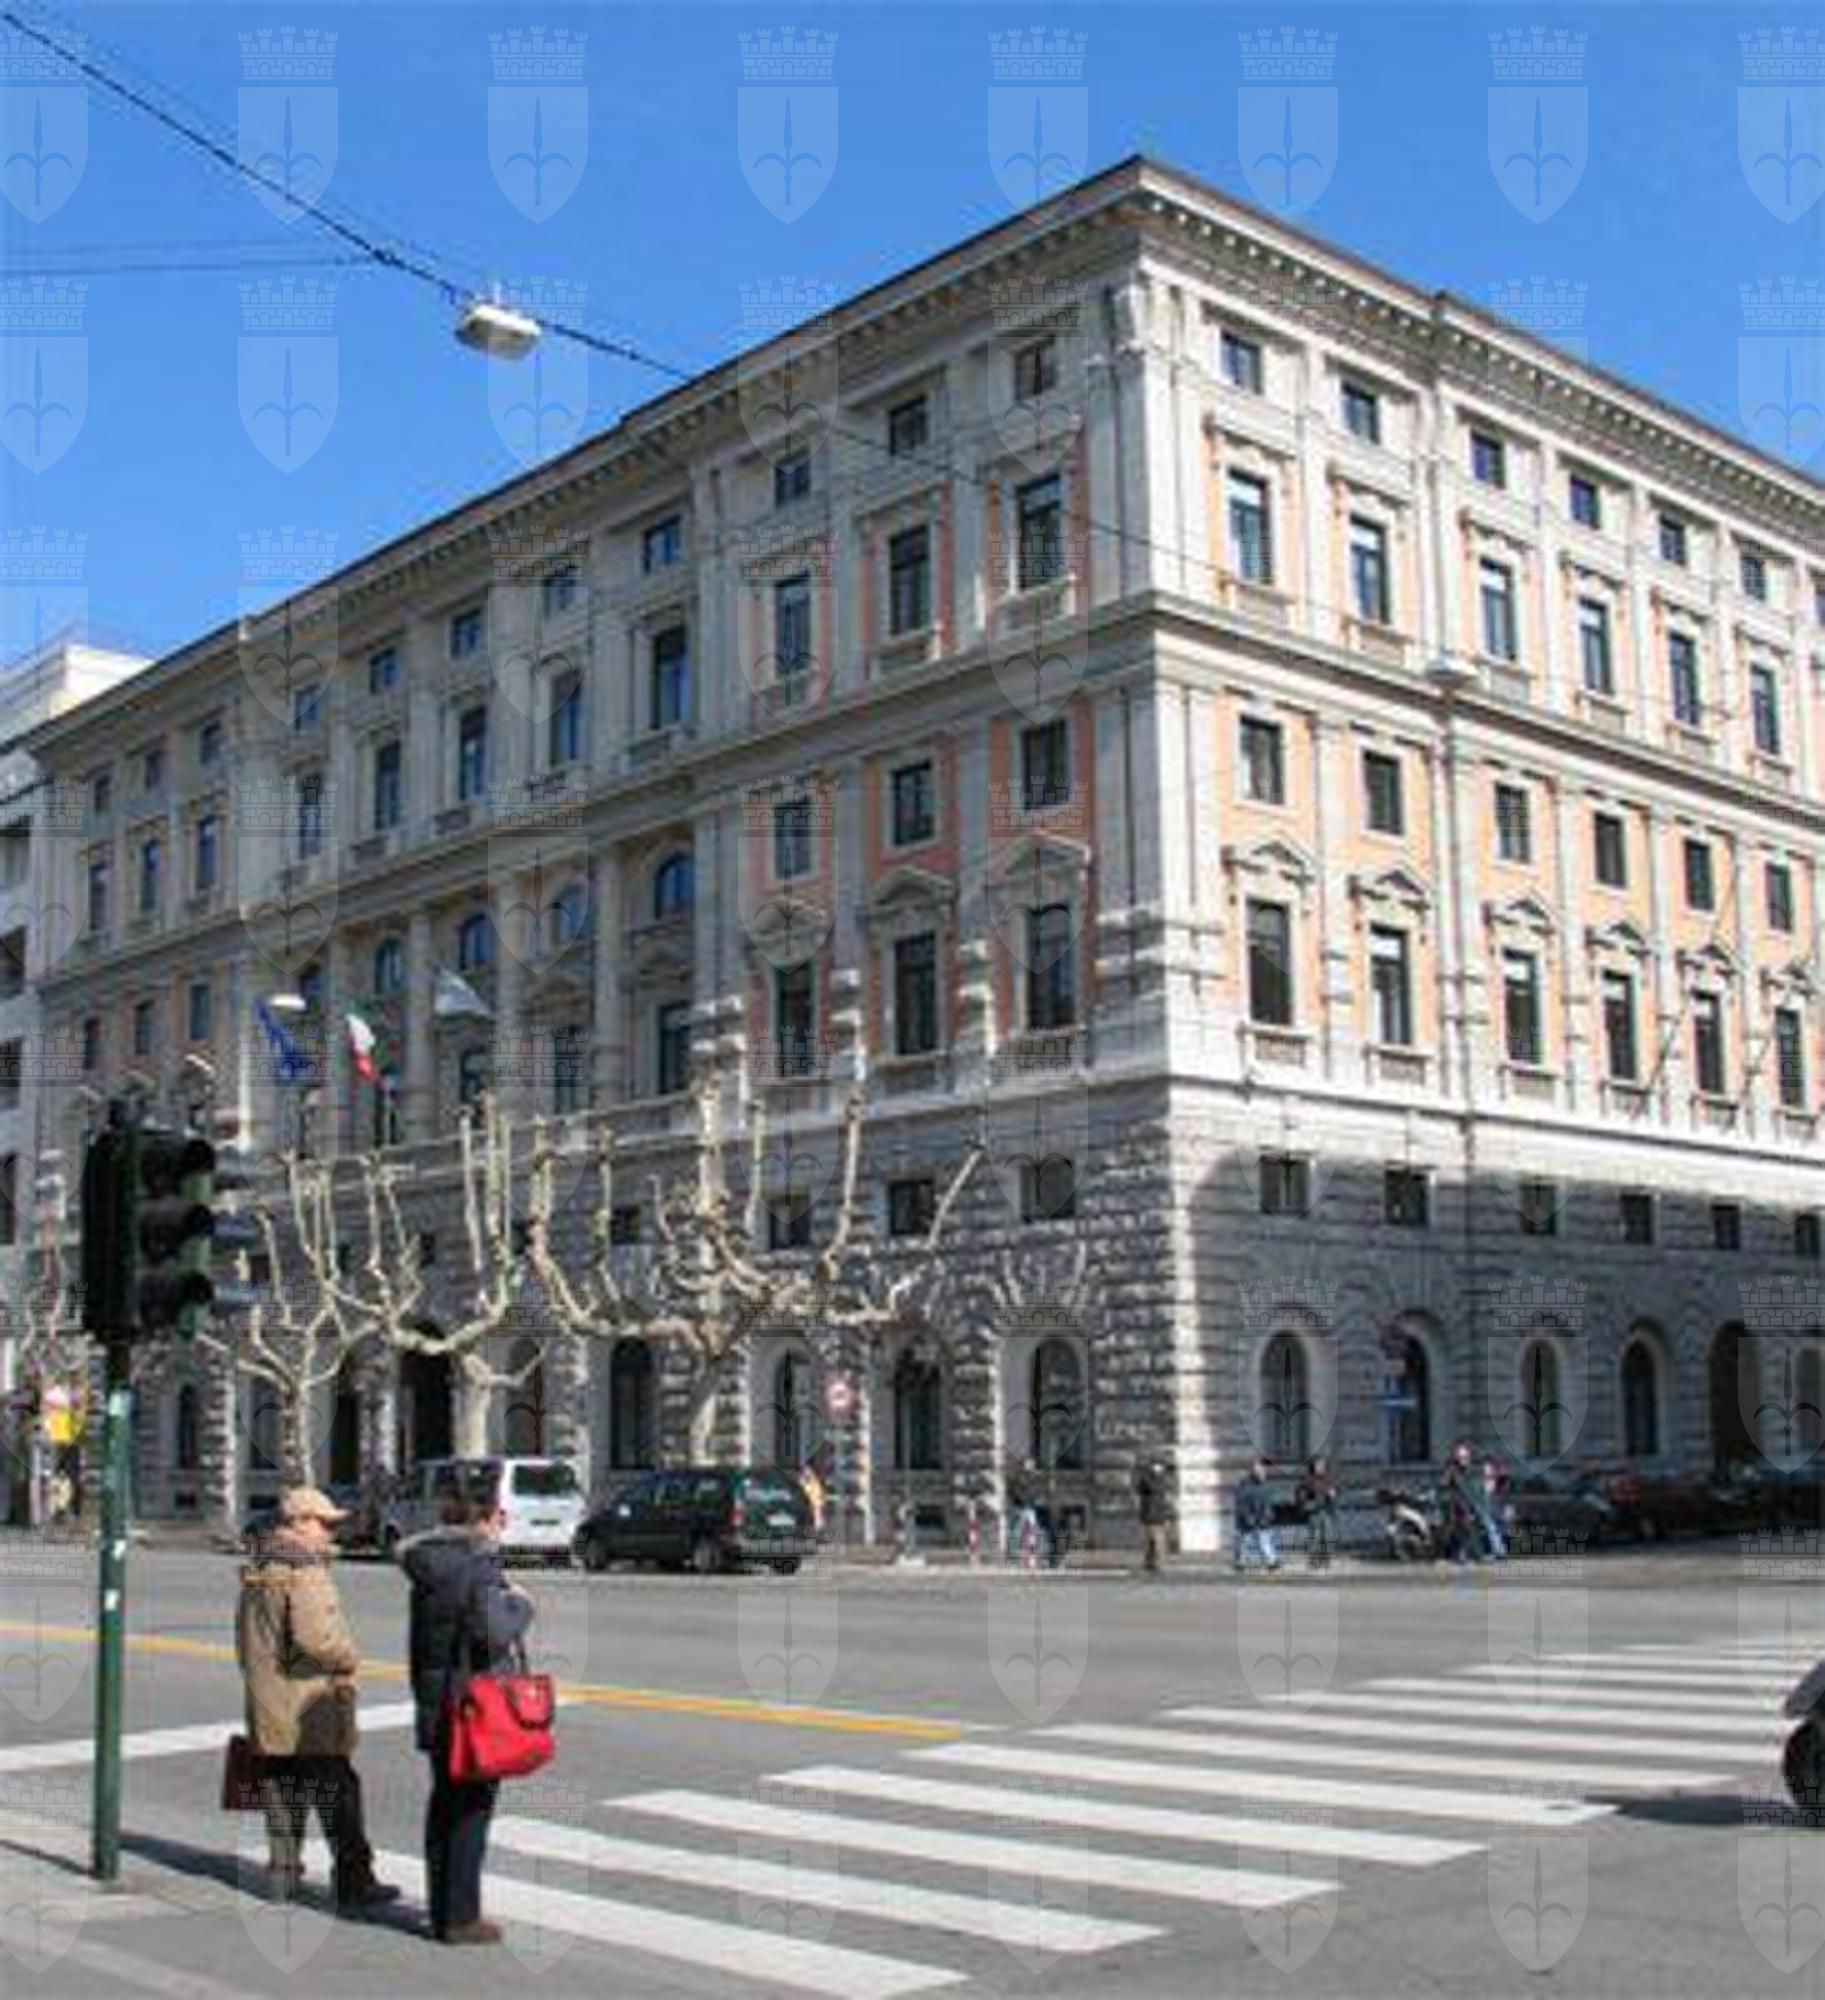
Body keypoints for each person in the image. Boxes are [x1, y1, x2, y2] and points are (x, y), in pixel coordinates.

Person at [234, 1484, 398, 1913]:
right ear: (299, 1523)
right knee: (337, 1788)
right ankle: (354, 1879)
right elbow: (316, 1639)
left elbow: (244, 1641)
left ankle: (282, 1874)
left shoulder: (260, 1565)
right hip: (309, 1699)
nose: (330, 1532)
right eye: (324, 1524)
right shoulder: (304, 1570)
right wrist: (349, 1655)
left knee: (281, 1785)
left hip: (270, 1695)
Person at [402, 1475, 536, 1946]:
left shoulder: (429, 1565)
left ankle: (443, 1909)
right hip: (474, 1709)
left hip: (438, 1701)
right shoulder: (477, 1568)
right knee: (471, 1812)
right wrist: (521, 1606)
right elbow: (492, 1632)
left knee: (444, 1806)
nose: (503, 1525)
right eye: (500, 1516)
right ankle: (461, 1917)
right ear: (486, 1519)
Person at [1234, 1458, 1280, 1574]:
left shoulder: (1265, 1485)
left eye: (1262, 1471)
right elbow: (1241, 1502)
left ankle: (1271, 1561)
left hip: (1262, 1516)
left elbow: (1269, 1502)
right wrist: (1247, 1516)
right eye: (1259, 1471)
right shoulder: (1245, 1485)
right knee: (1245, 1540)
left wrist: (1268, 1514)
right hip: (1248, 1517)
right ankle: (1241, 1561)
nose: (1262, 1473)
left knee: (1264, 1539)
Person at [1296, 1454, 1338, 1571]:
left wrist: (1333, 1494)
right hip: (1314, 1511)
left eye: (1321, 1465)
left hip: (1326, 1510)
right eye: (1317, 1465)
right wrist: (1306, 1503)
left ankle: (1325, 1559)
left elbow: (1336, 1491)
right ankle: (1314, 1560)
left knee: (1327, 1536)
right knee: (1314, 1536)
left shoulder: (1329, 1479)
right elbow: (1300, 1494)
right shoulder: (1308, 1480)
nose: (1319, 1467)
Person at [1441, 1440, 1479, 1565]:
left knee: (1464, 1529)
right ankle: (1457, 1555)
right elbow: (1450, 1485)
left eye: (1467, 1457)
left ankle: (1461, 1554)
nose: (1466, 1460)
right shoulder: (1453, 1470)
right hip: (1455, 1503)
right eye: (1463, 1457)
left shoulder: (1465, 1471)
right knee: (1459, 1529)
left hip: (1461, 1503)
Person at [1136, 1461, 1170, 1574]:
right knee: (1153, 1540)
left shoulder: (1161, 1479)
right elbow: (1151, 1488)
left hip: (1157, 1514)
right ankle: (1152, 1562)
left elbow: (1162, 1494)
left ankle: (1155, 1562)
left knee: (1156, 1540)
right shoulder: (1149, 1479)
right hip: (1151, 1514)